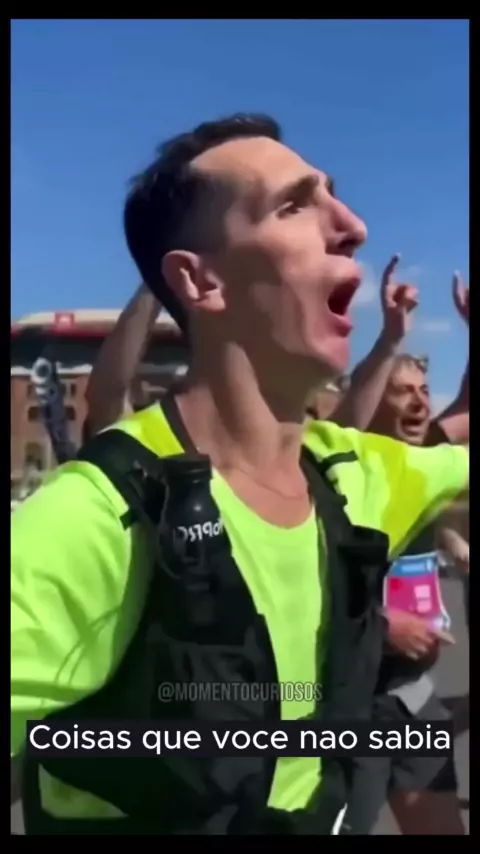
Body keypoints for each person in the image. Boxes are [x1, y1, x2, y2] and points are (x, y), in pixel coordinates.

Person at [11, 113, 469, 834]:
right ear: (201, 280)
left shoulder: (356, 474)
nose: (352, 226)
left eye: (335, 198)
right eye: (294, 205)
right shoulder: (98, 517)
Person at [331, 261, 469, 834]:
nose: (419, 402)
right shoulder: (339, 469)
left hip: (413, 697)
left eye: (424, 391)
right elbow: (310, 581)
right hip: (348, 704)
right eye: (403, 391)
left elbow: (467, 408)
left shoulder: (425, 462)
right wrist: (384, 624)